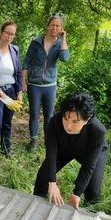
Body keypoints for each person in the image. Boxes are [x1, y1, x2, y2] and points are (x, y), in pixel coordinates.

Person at [33, 94, 108, 210]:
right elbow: (51, 153)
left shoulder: (98, 131)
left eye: (75, 121)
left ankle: (91, 214)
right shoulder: (55, 122)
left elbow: (89, 166)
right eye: (66, 118)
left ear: (87, 120)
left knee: (93, 190)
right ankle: (37, 206)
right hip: (65, 147)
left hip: (88, 151)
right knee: (44, 175)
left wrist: (77, 193)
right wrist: (52, 182)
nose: (68, 125)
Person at [22, 14, 70, 151]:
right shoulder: (36, 42)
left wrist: (64, 38)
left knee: (49, 115)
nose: (54, 28)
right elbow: (26, 62)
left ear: (61, 28)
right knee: (34, 113)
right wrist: (23, 82)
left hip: (50, 86)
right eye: (52, 25)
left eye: (57, 26)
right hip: (34, 85)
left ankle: (48, 141)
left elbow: (65, 58)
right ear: (48, 26)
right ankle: (34, 141)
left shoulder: (60, 45)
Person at [0, 20, 23, 157]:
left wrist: (20, 91)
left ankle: (6, 150)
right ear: (1, 32)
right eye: (8, 33)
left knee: (7, 123)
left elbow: (18, 72)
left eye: (13, 34)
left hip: (11, 91)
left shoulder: (15, 50)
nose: (10, 37)